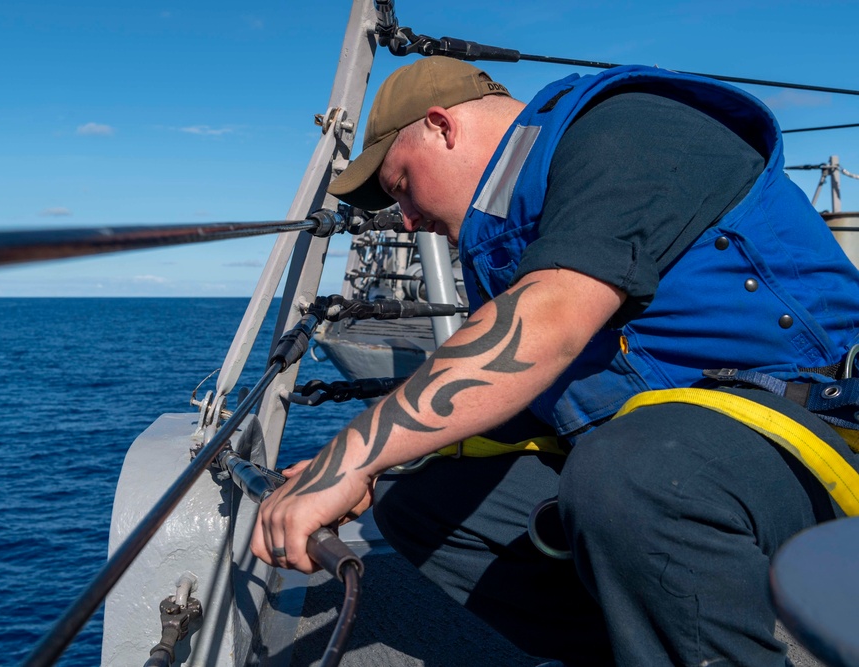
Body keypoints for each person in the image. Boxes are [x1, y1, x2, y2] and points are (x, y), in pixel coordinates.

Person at [250, 56, 859, 665]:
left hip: (816, 427)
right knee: (418, 502)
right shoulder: (508, 233)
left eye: (400, 185)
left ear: (441, 126)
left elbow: (549, 321)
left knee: (630, 472)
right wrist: (379, 471)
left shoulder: (628, 129)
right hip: (680, 438)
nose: (406, 221)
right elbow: (541, 398)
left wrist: (348, 460)